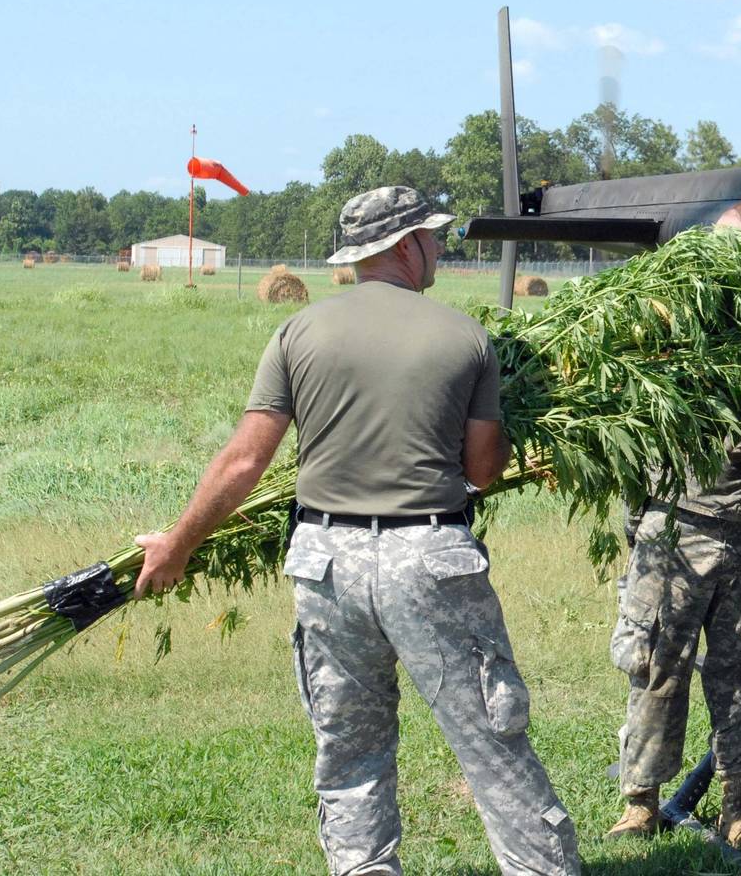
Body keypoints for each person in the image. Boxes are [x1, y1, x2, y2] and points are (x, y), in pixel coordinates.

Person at [134, 186, 580, 876]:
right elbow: (484, 470)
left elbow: (247, 457)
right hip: (429, 559)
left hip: (325, 563)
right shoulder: (465, 336)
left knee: (349, 749)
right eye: (432, 238)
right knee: (491, 742)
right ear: (407, 247)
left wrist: (178, 544)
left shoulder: (297, 332)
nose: (438, 248)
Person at [608, 200, 741, 852]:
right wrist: (638, 524)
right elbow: (634, 427)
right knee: (657, 664)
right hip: (679, 527)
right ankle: (640, 798)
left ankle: (738, 808)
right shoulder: (672, 327)